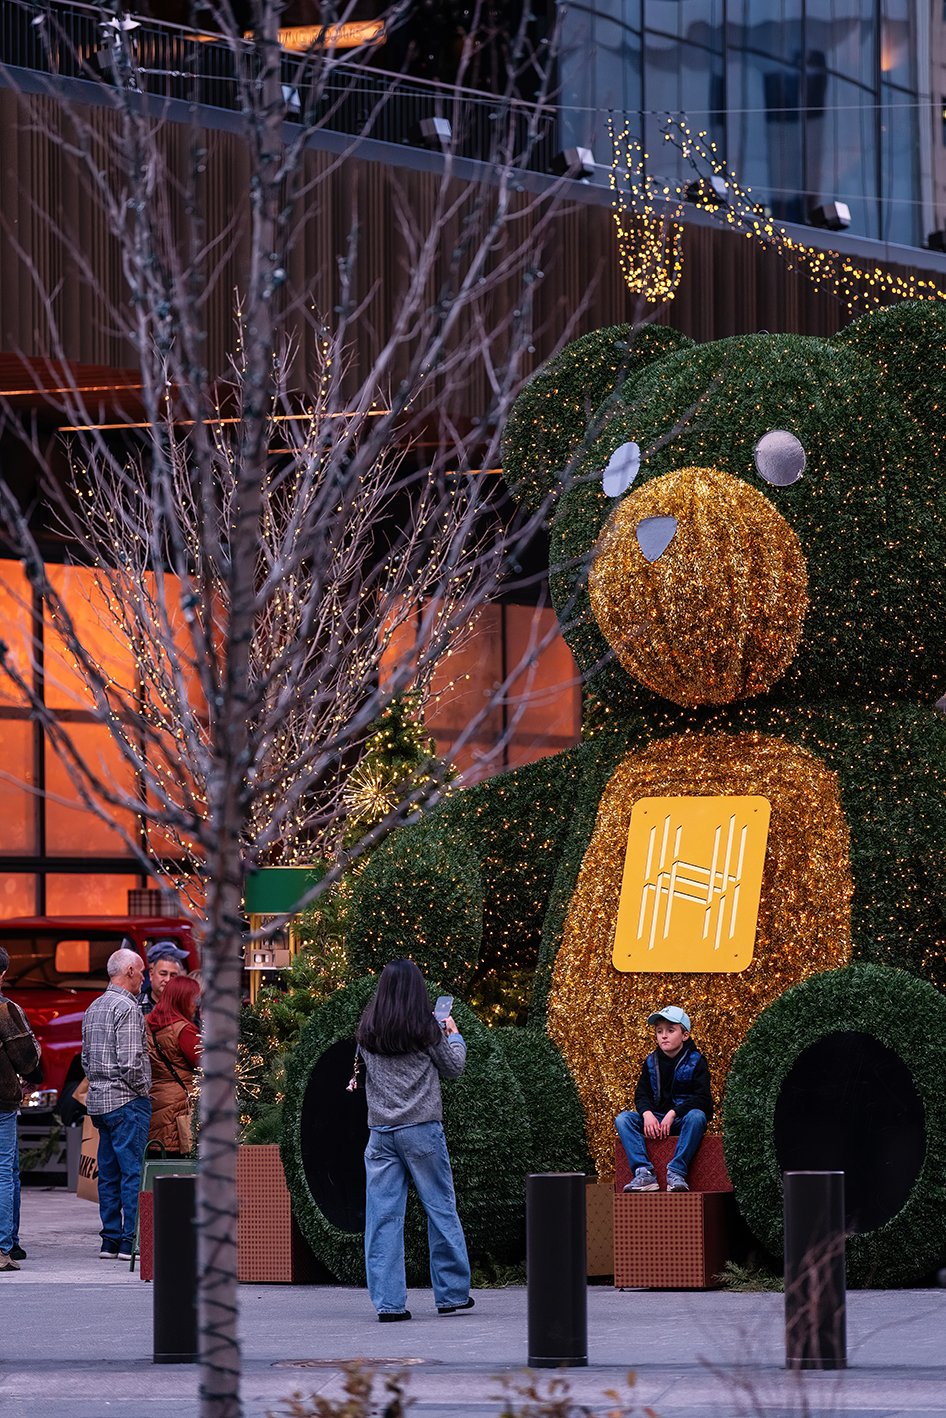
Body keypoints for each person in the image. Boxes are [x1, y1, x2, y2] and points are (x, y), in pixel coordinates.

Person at [356, 959, 473, 1322]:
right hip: (421, 1129)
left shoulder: (368, 1028)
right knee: (439, 1207)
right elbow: (453, 1068)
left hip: (381, 1133)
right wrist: (453, 1035)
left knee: (383, 1217)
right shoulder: (426, 1027)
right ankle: (451, 1295)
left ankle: (389, 1303)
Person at [81, 948, 152, 1259]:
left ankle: (109, 1240)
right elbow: (131, 1060)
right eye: (142, 971)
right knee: (132, 1171)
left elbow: (85, 1057)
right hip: (126, 1100)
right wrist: (143, 1089)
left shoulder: (94, 1007)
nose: (144, 978)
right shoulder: (127, 1008)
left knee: (108, 1172)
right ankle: (129, 1240)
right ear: (130, 972)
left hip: (99, 1101)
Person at [615, 1005, 713, 1194]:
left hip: (681, 1118)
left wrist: (674, 1112)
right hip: (657, 1118)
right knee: (623, 1119)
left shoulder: (696, 1060)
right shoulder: (651, 1061)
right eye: (659, 1031)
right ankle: (644, 1173)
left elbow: (702, 1098)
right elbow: (641, 1094)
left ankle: (676, 1171)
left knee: (697, 1116)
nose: (664, 1036)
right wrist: (647, 1114)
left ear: (685, 1035)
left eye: (670, 1030)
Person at [0, 948, 42, 1271]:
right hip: (2, 1102)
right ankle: (3, 1247)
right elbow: (28, 1059)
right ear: (2, 975)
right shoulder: (5, 1010)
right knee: (4, 1171)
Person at [146, 975, 201, 1155]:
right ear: (183, 1000)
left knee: (158, 1165)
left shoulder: (149, 1023)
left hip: (156, 1101)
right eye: (194, 999)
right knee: (179, 1167)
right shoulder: (183, 1030)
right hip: (179, 1109)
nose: (196, 1004)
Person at [140, 940, 189, 1015]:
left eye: (173, 975)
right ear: (151, 974)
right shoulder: (136, 1005)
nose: (168, 979)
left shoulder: (187, 1007)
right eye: (163, 974)